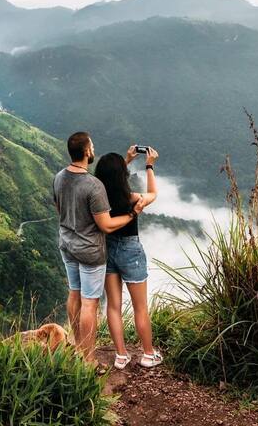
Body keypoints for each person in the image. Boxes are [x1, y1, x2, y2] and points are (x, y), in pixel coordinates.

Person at [53, 132, 144, 363]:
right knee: (89, 302)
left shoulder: (59, 177)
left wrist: (126, 160)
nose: (94, 149)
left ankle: (77, 345)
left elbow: (59, 210)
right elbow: (107, 225)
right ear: (86, 152)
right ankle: (89, 360)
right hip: (90, 251)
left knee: (74, 293)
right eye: (91, 145)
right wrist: (133, 214)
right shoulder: (93, 186)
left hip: (67, 245)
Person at [95, 145, 163, 369]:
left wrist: (126, 159)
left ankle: (121, 355)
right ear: (122, 176)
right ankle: (148, 354)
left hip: (107, 250)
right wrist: (149, 165)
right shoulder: (132, 199)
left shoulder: (98, 198)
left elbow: (111, 177)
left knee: (113, 306)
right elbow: (153, 194)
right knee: (140, 307)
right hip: (130, 251)